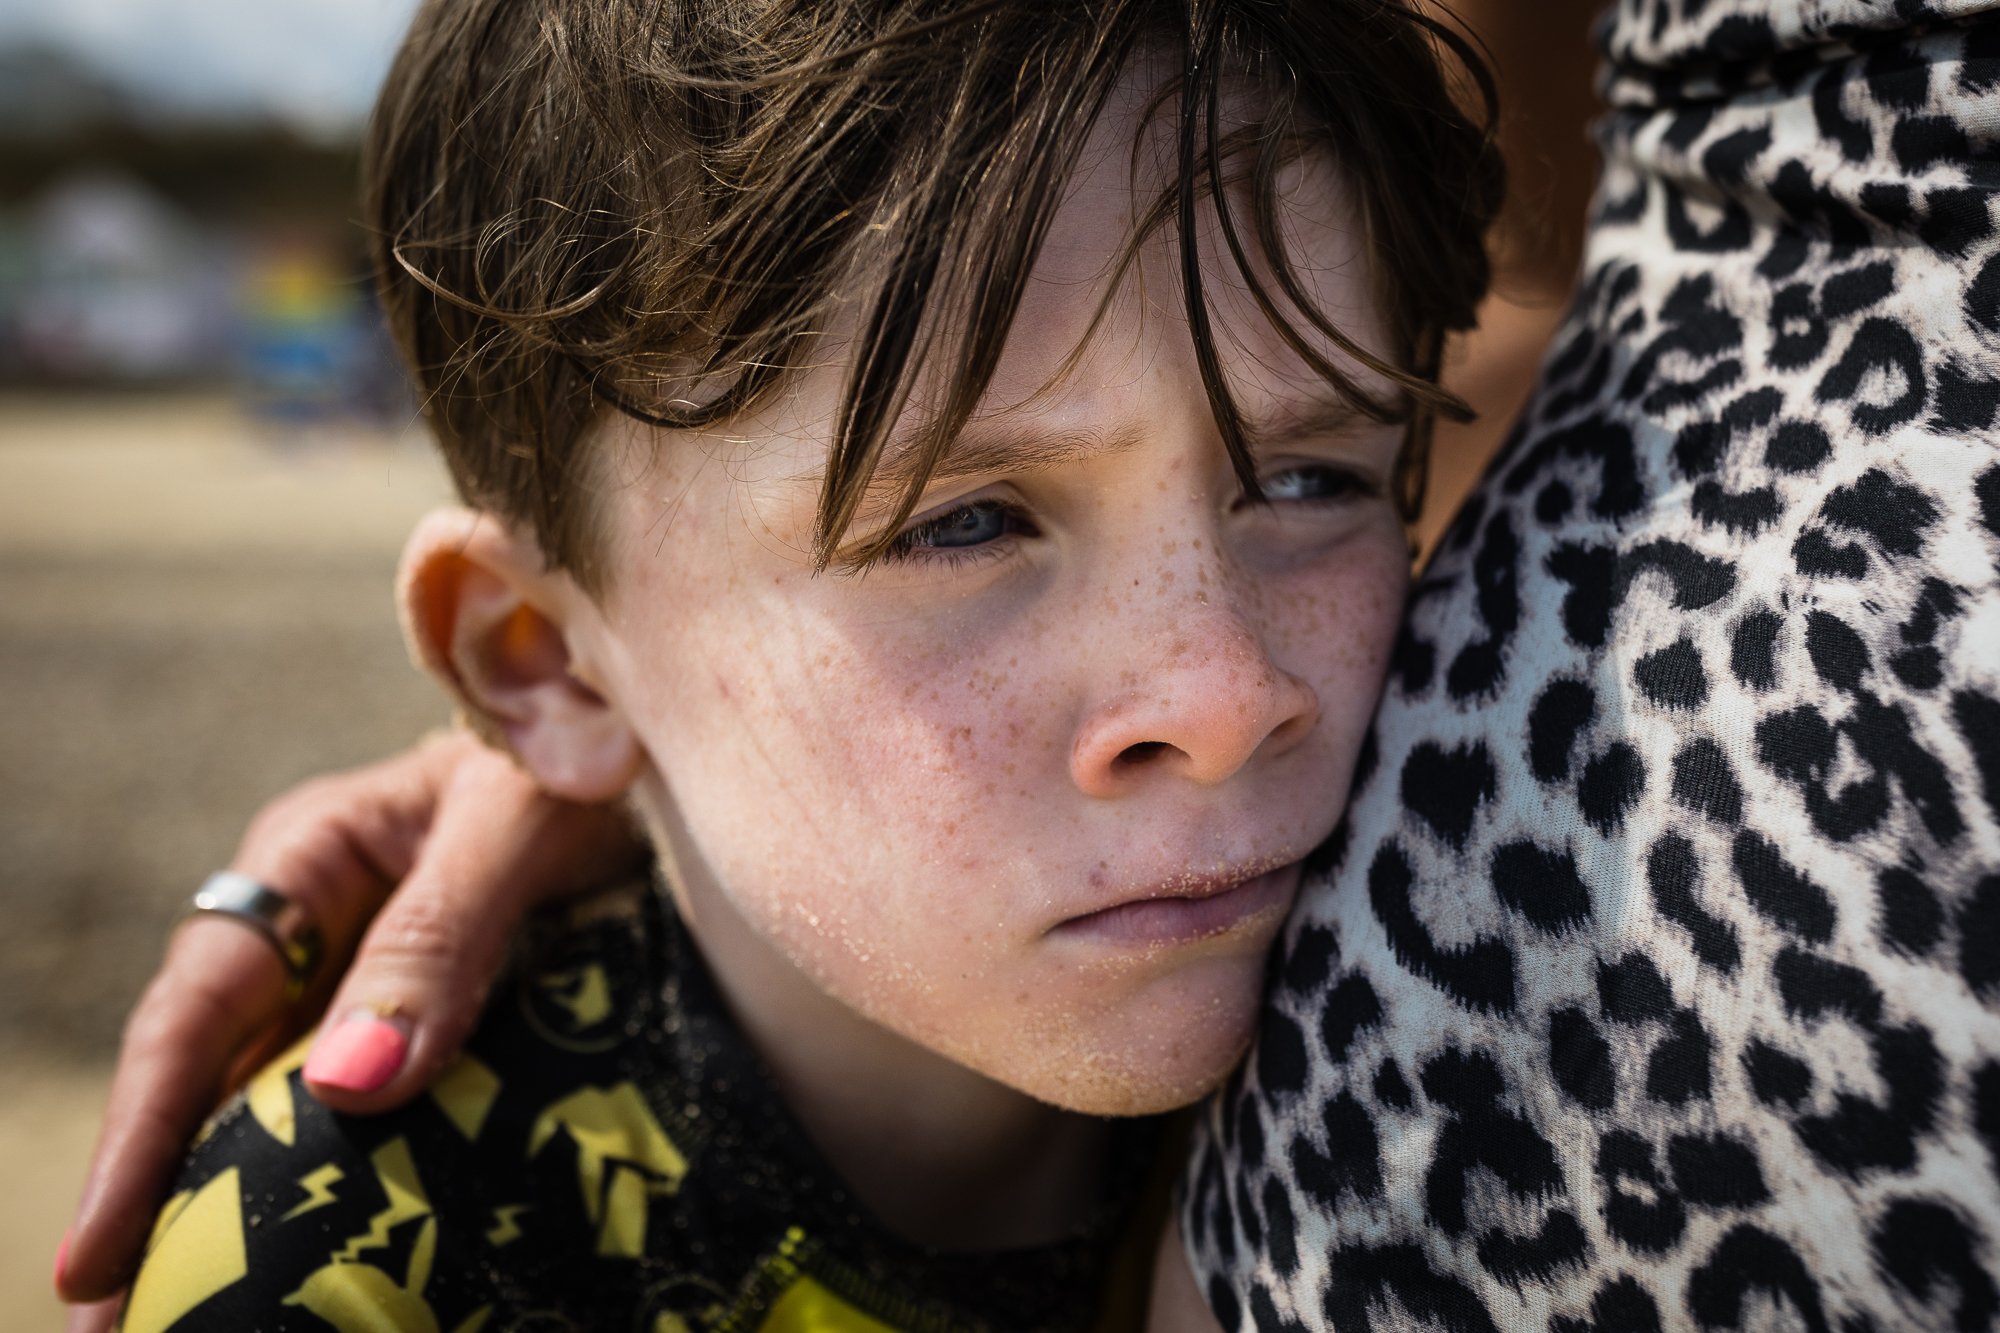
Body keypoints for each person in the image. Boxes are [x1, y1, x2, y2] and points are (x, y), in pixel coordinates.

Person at [58, 0, 1508, 1327]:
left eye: (1311, 479)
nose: (1224, 692)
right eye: (964, 522)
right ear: (545, 663)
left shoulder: (1465, 1062)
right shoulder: (362, 1272)